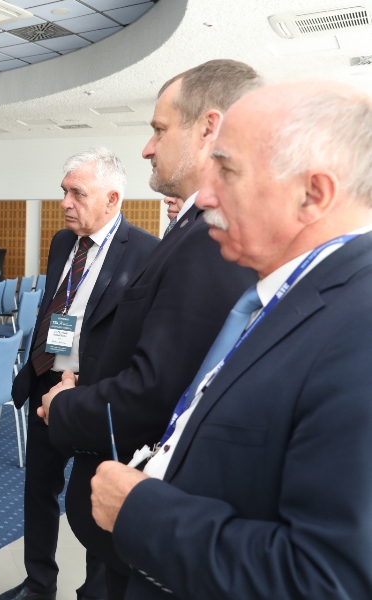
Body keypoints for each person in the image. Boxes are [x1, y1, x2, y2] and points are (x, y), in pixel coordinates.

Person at [91, 80, 372, 600]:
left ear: (313, 194)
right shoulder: (287, 298)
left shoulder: (359, 328)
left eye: (227, 170)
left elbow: (327, 580)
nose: (205, 196)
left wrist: (141, 511)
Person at [36, 59, 260, 600]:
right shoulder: (190, 230)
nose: (147, 148)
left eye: (159, 129)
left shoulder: (208, 237)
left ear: (208, 129)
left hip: (135, 495)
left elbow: (160, 388)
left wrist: (66, 405)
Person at [0, 148, 159, 600]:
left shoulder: (146, 252)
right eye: (64, 191)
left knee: (93, 499)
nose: (65, 202)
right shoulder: (62, 242)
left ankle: (95, 592)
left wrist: (86, 384)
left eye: (77, 193)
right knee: (38, 490)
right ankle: (39, 583)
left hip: (96, 393)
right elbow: (58, 308)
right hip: (49, 380)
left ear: (112, 198)